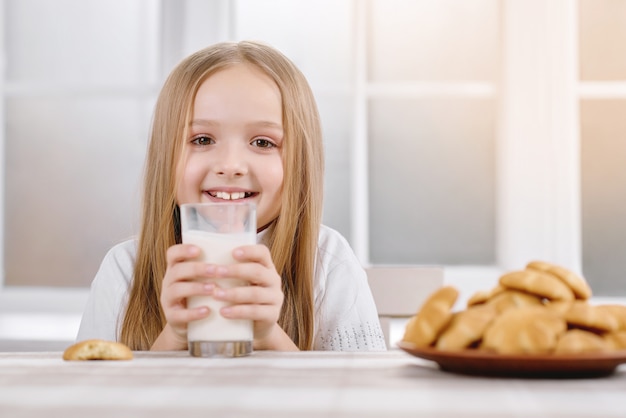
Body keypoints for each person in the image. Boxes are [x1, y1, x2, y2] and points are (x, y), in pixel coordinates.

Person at [77, 40, 387, 352]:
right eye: (201, 139)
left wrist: (269, 336)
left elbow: (355, 395)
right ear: (165, 157)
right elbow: (95, 397)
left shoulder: (328, 262)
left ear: (300, 163)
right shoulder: (124, 270)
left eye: (263, 142)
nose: (230, 166)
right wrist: (175, 336)